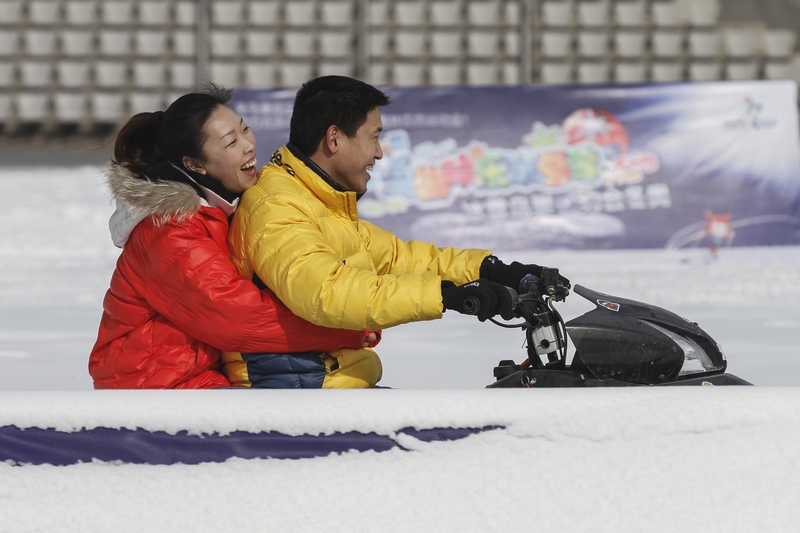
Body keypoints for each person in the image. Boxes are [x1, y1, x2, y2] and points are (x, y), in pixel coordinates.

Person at [227, 75, 569, 380]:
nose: (379, 153)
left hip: (318, 375)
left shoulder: (316, 199)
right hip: (290, 386)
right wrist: (447, 296)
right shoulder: (277, 207)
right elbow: (329, 292)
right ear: (334, 139)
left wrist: (492, 271)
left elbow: (398, 258)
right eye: (374, 137)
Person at [89, 84, 380, 390]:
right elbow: (237, 318)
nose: (249, 145)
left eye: (245, 129)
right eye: (231, 142)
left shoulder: (224, 207)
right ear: (194, 164)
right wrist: (346, 328)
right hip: (151, 384)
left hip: (199, 376)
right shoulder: (170, 230)